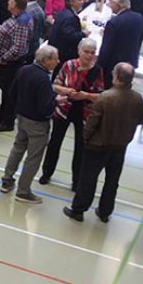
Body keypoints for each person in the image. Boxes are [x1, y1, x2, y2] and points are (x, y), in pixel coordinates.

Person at [63, 63, 143, 223]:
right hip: (120, 145)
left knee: (88, 178)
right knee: (112, 181)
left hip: (98, 145)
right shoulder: (137, 98)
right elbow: (140, 120)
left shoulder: (105, 97)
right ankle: (105, 211)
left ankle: (79, 209)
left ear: (116, 77)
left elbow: (92, 123)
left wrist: (85, 138)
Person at [39, 38, 105, 190]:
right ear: (79, 51)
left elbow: (101, 96)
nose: (89, 55)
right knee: (55, 142)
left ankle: (77, 180)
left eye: (92, 53)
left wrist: (86, 96)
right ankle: (46, 173)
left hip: (84, 112)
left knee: (81, 148)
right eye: (86, 52)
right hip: (64, 108)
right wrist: (66, 91)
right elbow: (55, 85)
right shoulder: (68, 65)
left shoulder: (97, 70)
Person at [0, 45, 60, 204]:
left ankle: (7, 180)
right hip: (37, 123)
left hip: (22, 117)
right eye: (55, 58)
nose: (58, 61)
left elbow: (13, 93)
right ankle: (23, 191)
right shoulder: (43, 79)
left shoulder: (24, 70)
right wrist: (56, 101)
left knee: (18, 148)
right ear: (46, 60)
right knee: (34, 157)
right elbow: (45, 107)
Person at [0, 0, 34, 132]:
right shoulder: (17, 18)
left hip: (11, 63)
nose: (7, 2)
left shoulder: (22, 22)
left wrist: (3, 59)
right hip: (6, 61)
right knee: (5, 89)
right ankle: (2, 115)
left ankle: (7, 121)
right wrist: (1, 29)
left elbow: (18, 48)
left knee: (9, 92)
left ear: (15, 5)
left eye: (10, 1)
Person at [97, 0, 143, 77]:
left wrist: (99, 66)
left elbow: (106, 47)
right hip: (131, 60)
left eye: (111, 3)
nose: (109, 5)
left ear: (117, 5)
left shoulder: (113, 22)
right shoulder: (138, 17)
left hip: (114, 64)